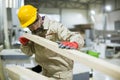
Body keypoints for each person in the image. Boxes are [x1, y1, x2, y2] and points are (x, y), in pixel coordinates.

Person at [17, 5, 84, 80]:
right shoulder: (34, 32)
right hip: (45, 71)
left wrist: (75, 43)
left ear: (38, 16)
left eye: (35, 22)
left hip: (61, 74)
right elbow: (29, 52)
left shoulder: (55, 27)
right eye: (30, 26)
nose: (35, 27)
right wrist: (25, 45)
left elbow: (75, 36)